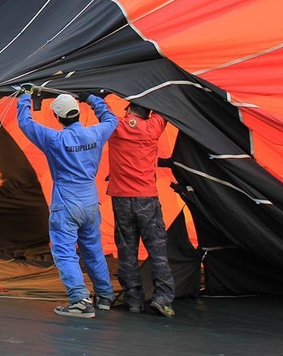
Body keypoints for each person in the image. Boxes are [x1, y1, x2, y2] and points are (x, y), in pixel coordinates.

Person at [17, 87, 118, 318]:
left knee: (65, 252)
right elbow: (111, 119)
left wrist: (25, 96)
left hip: (66, 203)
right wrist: (92, 98)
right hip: (90, 202)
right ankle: (104, 295)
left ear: (57, 117)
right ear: (78, 114)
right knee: (93, 249)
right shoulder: (96, 133)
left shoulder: (54, 139)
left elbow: (25, 122)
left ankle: (80, 300)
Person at [107, 102, 175, 317]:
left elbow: (102, 110)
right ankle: (163, 298)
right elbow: (165, 107)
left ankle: (134, 300)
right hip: (147, 198)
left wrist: (96, 96)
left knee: (126, 250)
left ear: (127, 111)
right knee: (158, 251)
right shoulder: (154, 127)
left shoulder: (115, 126)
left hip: (121, 198)